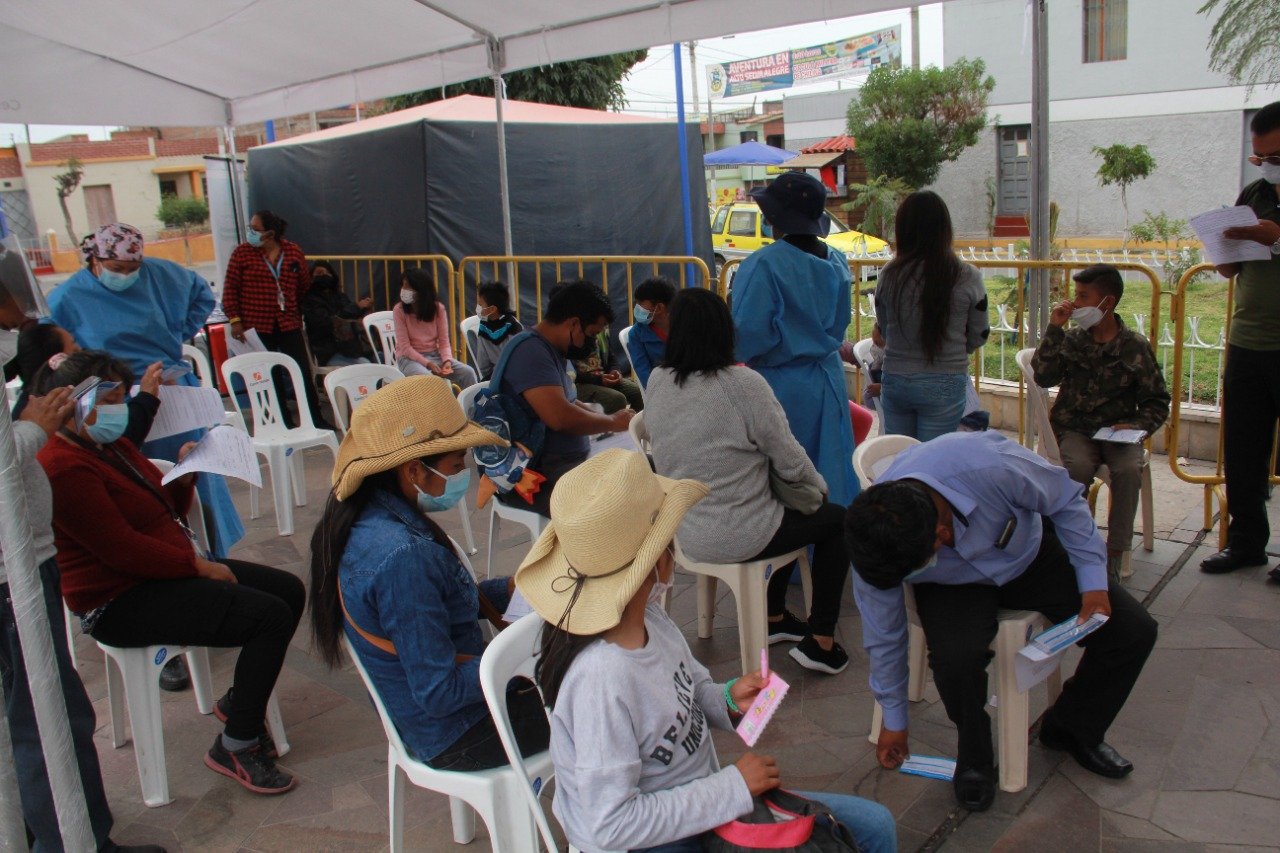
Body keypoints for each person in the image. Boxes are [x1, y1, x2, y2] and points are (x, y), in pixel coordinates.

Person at [517, 450, 897, 853]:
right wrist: (731, 787)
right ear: (657, 558)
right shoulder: (599, 680)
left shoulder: (650, 619)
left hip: (700, 804)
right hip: (652, 839)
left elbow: (692, 689)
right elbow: (608, 826)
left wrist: (729, 698)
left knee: (874, 826)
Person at [845, 432, 1158, 813]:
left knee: (1132, 632)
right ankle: (974, 757)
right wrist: (894, 719)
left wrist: (1092, 579)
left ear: (941, 534)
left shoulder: (987, 463)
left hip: (1029, 557)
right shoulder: (875, 547)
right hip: (950, 586)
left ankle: (1072, 728)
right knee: (956, 661)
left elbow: (1064, 500)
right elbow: (884, 637)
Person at [37, 350, 304, 796]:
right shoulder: (61, 465)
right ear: (76, 403)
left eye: (124, 396)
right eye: (113, 398)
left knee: (288, 590)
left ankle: (240, 702)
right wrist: (197, 566)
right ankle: (236, 745)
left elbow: (158, 508)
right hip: (119, 599)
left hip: (160, 571)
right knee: (268, 616)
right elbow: (121, 549)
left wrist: (184, 475)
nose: (123, 408)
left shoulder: (110, 446)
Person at [0, 279, 167, 853]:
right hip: (16, 576)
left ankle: (49, 827)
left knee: (42, 709)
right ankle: (74, 838)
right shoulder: (61, 453)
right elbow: (123, 544)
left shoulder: (92, 444)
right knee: (47, 714)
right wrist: (31, 431)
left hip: (29, 566)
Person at [310, 376, 550, 769]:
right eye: (457, 465)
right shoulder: (403, 558)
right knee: (603, 700)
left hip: (446, 719)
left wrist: (511, 588)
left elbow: (438, 606)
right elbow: (440, 691)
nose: (464, 474)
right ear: (414, 471)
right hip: (459, 732)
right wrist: (532, 654)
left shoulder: (373, 518)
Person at [645, 288, 850, 674]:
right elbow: (788, 458)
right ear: (724, 331)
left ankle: (773, 619)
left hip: (684, 530)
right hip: (740, 533)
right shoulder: (743, 385)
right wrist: (819, 488)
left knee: (785, 508)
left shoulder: (658, 380)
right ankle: (821, 640)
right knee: (833, 519)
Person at [48, 223, 245, 560]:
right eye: (116, 269)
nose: (125, 276)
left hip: (170, 390)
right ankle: (160, 552)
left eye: (132, 269)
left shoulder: (162, 275)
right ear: (95, 260)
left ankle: (210, 551)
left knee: (189, 466)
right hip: (111, 395)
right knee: (135, 476)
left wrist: (176, 336)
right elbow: (51, 339)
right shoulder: (69, 295)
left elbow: (201, 296)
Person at [1032, 264, 1170, 579]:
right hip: (1076, 429)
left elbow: (1157, 400)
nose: (1074, 303)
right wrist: (1055, 328)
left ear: (1106, 303)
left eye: (1083, 296)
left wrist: (1138, 425)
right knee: (1076, 468)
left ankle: (1114, 553)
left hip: (1119, 431)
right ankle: (1073, 544)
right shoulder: (1073, 340)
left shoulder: (1133, 345)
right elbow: (1043, 375)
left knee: (1127, 470)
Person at [731, 172, 859, 507]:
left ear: (772, 218)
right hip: (828, 379)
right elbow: (840, 324)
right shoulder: (837, 261)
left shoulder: (762, 266)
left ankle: (792, 553)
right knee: (831, 468)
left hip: (781, 387)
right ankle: (831, 547)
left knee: (787, 480)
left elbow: (746, 336)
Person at [1201, 101, 1280, 582]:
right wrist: (1225, 252)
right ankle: (1246, 543)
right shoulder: (1256, 192)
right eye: (1261, 157)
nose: (1268, 165)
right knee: (1244, 451)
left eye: (1276, 155)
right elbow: (1235, 265)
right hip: (1249, 342)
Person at [495, 280, 635, 517]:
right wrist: (613, 422)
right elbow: (560, 417)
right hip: (533, 476)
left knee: (643, 466)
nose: (590, 344)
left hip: (563, 461)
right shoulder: (531, 352)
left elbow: (567, 400)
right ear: (573, 324)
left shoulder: (548, 348)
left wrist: (610, 420)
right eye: (592, 334)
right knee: (626, 492)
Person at [874, 191, 990, 442]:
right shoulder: (967, 275)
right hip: (946, 381)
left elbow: (884, 329)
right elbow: (979, 334)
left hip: (896, 379)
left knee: (900, 457)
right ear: (945, 229)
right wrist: (955, 348)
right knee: (932, 462)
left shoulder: (889, 274)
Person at [221, 210, 331, 429]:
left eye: (255, 229)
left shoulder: (292, 252)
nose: (251, 233)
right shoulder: (242, 254)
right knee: (269, 372)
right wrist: (235, 320)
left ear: (270, 233)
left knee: (300, 369)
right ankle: (282, 419)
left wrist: (291, 305)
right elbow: (230, 289)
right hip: (257, 323)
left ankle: (314, 417)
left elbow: (303, 285)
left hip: (288, 321)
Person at [393, 267, 477, 388]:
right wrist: (427, 364)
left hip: (435, 355)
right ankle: (439, 406)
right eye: (403, 286)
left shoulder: (438, 309)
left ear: (420, 289)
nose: (403, 291)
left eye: (408, 287)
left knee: (468, 372)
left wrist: (447, 361)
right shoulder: (399, 310)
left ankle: (472, 405)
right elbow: (405, 347)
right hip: (408, 359)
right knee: (428, 380)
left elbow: (443, 342)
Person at [302, 261, 373, 367]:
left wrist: (363, 309)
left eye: (327, 273)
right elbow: (328, 322)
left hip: (350, 348)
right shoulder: (309, 300)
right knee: (366, 365)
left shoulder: (340, 296)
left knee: (379, 357)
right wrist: (356, 307)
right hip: (328, 352)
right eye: (319, 273)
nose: (324, 276)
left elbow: (350, 315)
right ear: (311, 278)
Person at [569, 327, 644, 415]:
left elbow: (611, 357)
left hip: (602, 378)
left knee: (637, 392)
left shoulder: (602, 327)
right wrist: (599, 380)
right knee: (617, 399)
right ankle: (609, 426)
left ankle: (632, 425)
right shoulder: (571, 331)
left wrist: (615, 371)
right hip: (578, 384)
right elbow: (570, 373)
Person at [626, 275, 676, 387]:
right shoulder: (636, 335)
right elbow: (644, 373)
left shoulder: (684, 327)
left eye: (641, 303)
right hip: (659, 390)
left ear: (659, 308)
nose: (637, 307)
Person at [471, 280, 523, 382]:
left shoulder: (484, 328)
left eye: (480, 304)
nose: (478, 308)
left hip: (497, 378)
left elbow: (483, 365)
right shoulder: (515, 326)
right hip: (518, 376)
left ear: (492, 309)